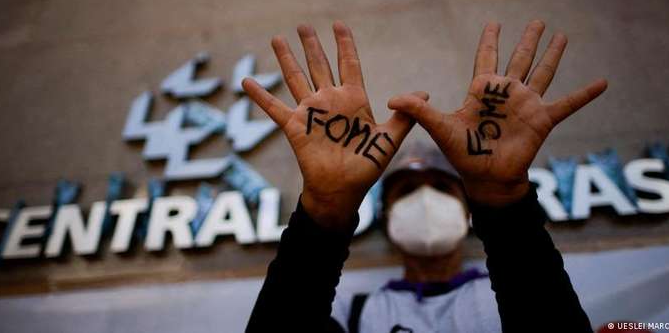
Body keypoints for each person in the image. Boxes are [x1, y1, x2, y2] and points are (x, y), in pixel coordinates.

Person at [242, 19, 607, 333]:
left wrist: (504, 206)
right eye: (407, 190)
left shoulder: (518, 294)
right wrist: (323, 214)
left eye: (441, 186)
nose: (425, 198)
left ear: (467, 209)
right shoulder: (353, 314)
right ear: (386, 215)